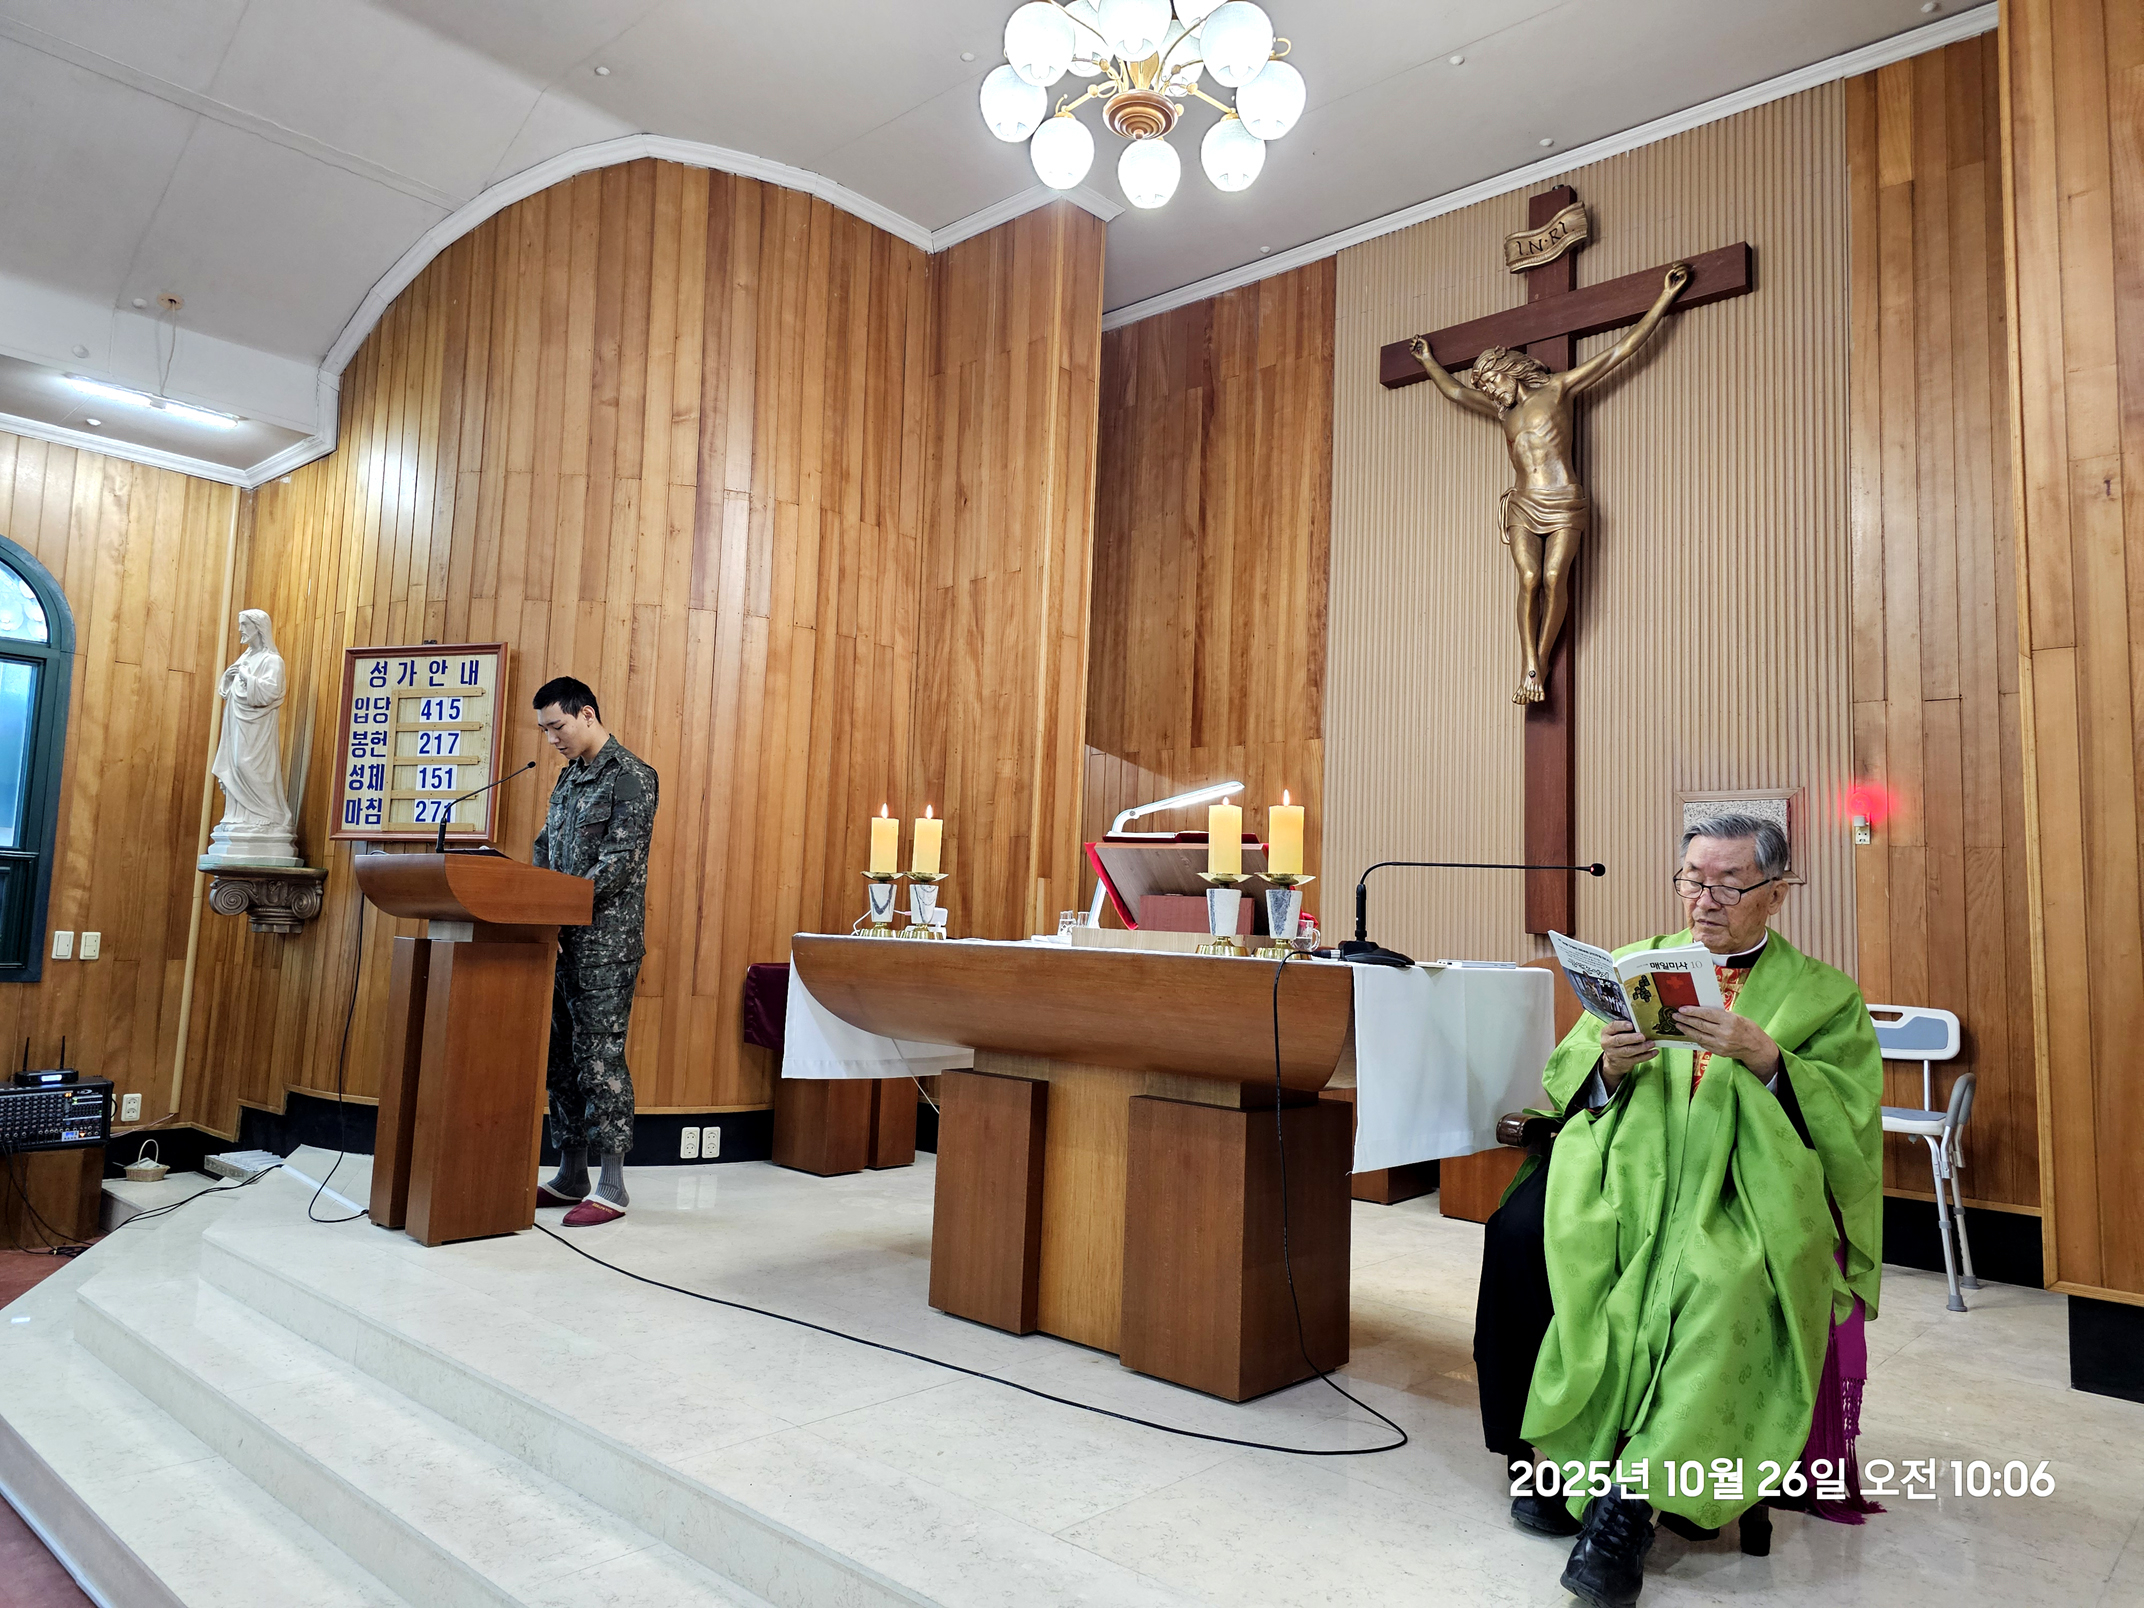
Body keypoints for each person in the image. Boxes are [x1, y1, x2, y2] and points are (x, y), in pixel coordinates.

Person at [1474, 813, 1882, 1607]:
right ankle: (1545, 1461)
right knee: (1523, 1236)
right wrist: (1610, 1067)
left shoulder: (1824, 997)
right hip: (1628, 1170)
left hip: (1741, 1187)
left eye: (1730, 883)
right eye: (1692, 879)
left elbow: (1851, 1120)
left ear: (1777, 893)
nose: (1705, 899)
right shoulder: (1635, 966)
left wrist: (1766, 1058)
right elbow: (1571, 1084)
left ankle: (1630, 1505)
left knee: (1726, 1283)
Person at [1409, 262, 1689, 705]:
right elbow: (1456, 392)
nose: (1490, 390)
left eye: (1492, 381)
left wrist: (1664, 299)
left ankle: (1536, 663)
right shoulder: (1502, 411)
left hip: (1563, 501)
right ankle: (1532, 666)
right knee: (1529, 576)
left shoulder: (1558, 389)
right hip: (1523, 503)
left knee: (1555, 576)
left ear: (1510, 370)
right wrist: (1428, 361)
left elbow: (1619, 351)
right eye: (1484, 385)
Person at [529, 677, 659, 1227]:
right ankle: (571, 1173)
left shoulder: (631, 776)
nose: (551, 738)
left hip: (606, 944)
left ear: (586, 714)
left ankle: (612, 1186)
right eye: (544, 730)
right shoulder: (569, 780)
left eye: (556, 726)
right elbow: (545, 846)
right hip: (557, 938)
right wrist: (531, 900)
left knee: (598, 1056)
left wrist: (557, 902)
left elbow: (619, 864)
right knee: (561, 1057)